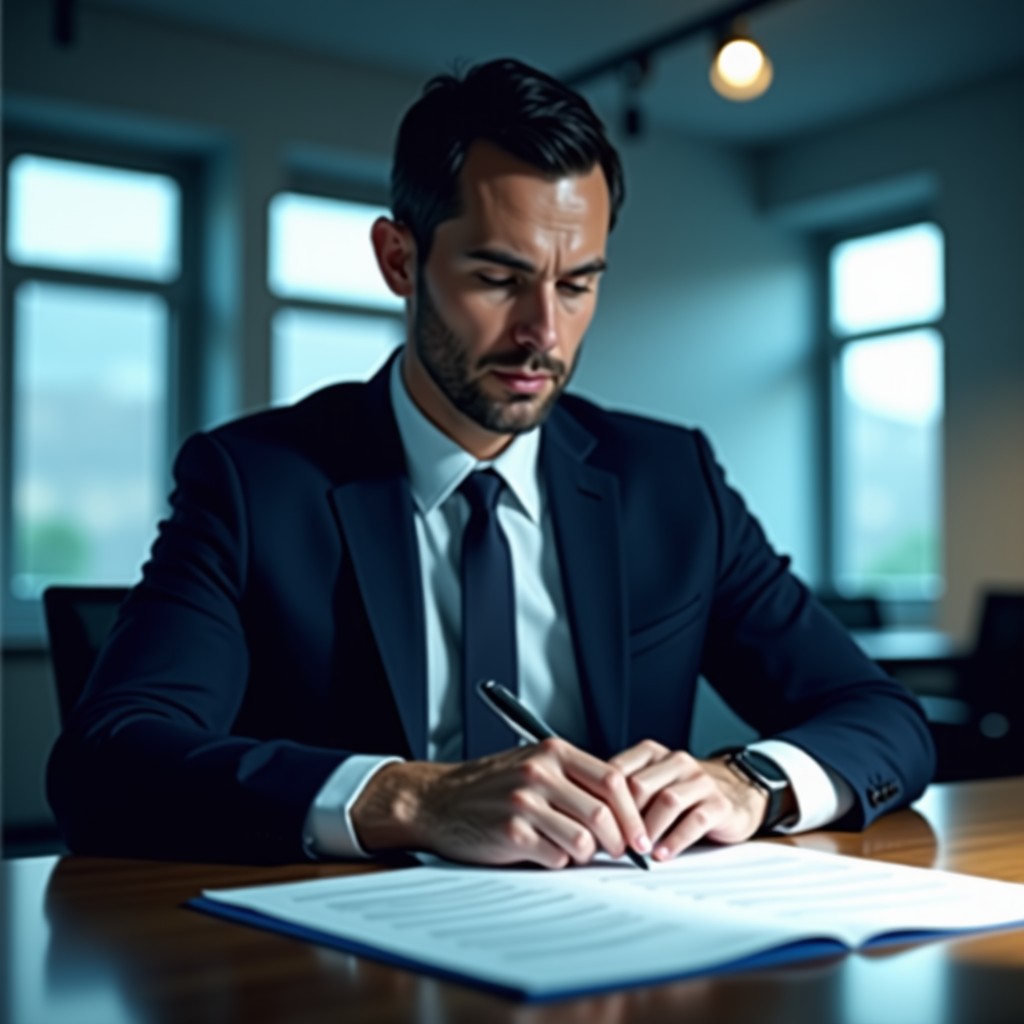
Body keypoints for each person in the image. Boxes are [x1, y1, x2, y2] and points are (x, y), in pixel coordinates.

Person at [47, 58, 935, 867]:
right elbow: (108, 757)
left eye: (577, 283)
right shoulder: (253, 483)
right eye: (498, 278)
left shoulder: (673, 482)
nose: (542, 333)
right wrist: (411, 795)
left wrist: (753, 782)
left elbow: (883, 717)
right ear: (400, 260)